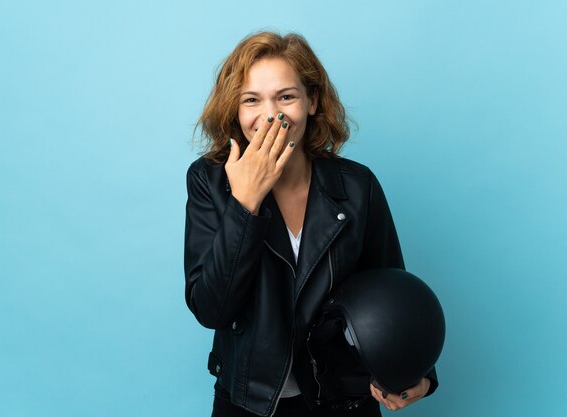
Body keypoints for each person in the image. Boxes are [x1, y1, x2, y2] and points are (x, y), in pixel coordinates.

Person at [184, 31, 438, 417]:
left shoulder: (357, 186)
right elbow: (211, 309)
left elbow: (391, 292)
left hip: (343, 398)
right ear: (234, 109)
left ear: (312, 101)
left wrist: (416, 371)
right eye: (251, 100)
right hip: (249, 402)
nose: (271, 115)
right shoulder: (210, 182)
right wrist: (245, 203)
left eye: (286, 96)